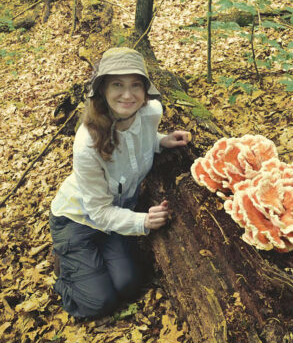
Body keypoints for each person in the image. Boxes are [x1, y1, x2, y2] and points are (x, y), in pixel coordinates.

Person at [49, 47, 191, 318]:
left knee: (128, 286)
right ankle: (67, 268)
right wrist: (143, 223)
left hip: (114, 214)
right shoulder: (87, 143)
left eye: (136, 85)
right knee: (97, 303)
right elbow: (98, 212)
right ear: (102, 89)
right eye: (117, 85)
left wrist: (160, 141)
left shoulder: (151, 112)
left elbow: (140, 139)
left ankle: (93, 264)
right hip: (77, 219)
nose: (128, 95)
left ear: (145, 89)